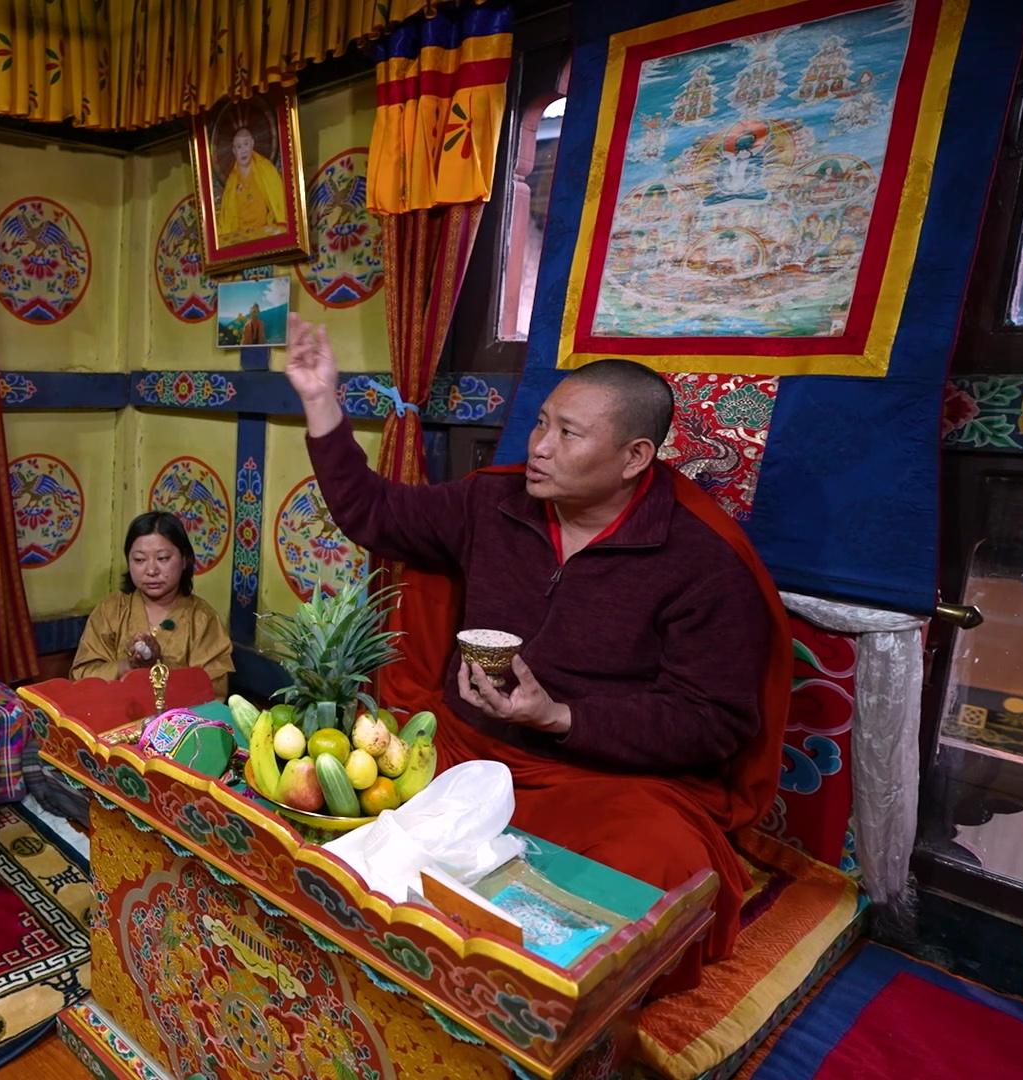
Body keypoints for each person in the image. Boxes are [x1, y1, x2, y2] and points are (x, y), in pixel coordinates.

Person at [285, 313, 787, 993]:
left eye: (568, 434)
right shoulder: (493, 501)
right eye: (541, 423)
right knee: (342, 808)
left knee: (662, 870)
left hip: (599, 778)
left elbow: (713, 722)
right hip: (467, 749)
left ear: (635, 457)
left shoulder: (703, 562)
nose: (540, 447)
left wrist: (561, 717)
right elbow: (377, 514)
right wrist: (321, 402)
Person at [71, 512, 235, 695]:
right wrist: (126, 667)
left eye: (163, 558)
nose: (151, 570)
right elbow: (81, 676)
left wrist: (158, 666)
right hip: (115, 718)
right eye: (139, 560)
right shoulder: (111, 610)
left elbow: (213, 690)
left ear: (184, 560)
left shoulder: (202, 619)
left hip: (175, 721)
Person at [218, 125, 288, 243]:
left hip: (263, 230)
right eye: (239, 147)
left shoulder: (266, 169)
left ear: (252, 144)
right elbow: (226, 220)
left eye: (246, 144)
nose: (243, 150)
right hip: (240, 236)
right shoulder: (232, 181)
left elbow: (279, 204)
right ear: (234, 151)